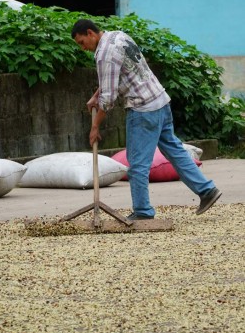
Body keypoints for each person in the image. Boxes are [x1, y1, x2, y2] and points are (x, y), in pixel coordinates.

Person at [71, 19, 222, 220]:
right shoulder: (119, 36)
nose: (83, 48)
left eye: (82, 42)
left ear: (90, 33)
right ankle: (206, 190)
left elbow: (108, 100)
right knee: (175, 150)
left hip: (142, 110)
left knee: (138, 165)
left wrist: (95, 126)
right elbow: (123, 73)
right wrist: (96, 95)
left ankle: (142, 211)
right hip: (160, 101)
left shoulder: (104, 55)